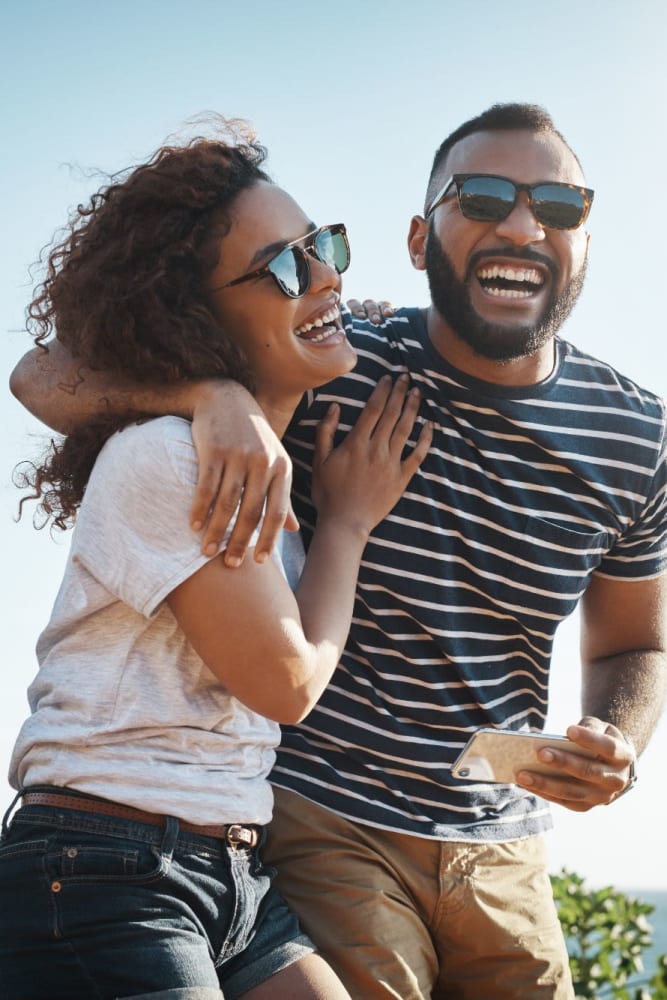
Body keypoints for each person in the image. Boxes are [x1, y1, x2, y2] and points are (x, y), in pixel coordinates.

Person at [10, 103, 667, 999]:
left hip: (500, 840)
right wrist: (210, 394)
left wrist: (617, 740)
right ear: (418, 236)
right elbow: (44, 374)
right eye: (481, 197)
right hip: (316, 819)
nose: (521, 224)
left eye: (557, 205)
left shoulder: (637, 436)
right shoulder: (332, 356)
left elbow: (635, 642)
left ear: (585, 236)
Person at [0, 120, 432, 1000]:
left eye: (324, 246)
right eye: (284, 266)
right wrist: (346, 521)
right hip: (103, 867)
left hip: (225, 866)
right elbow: (287, 685)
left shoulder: (248, 450)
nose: (324, 277)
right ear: (195, 313)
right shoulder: (166, 458)